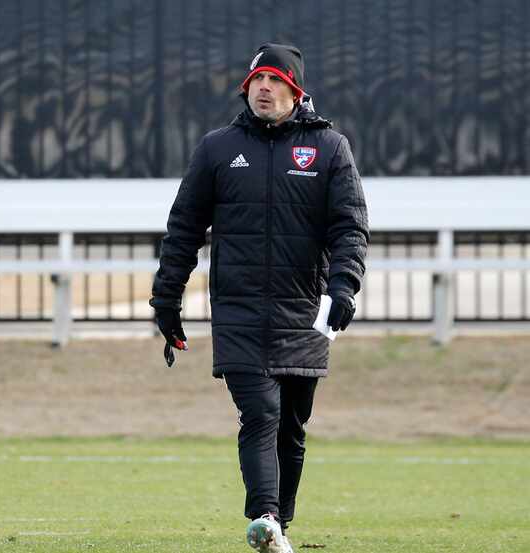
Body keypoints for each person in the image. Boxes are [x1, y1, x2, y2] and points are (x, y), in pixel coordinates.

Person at [149, 42, 369, 553]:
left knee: (292, 427)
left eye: (275, 81)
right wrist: (167, 301)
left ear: (296, 91)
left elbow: (350, 227)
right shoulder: (216, 149)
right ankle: (265, 517)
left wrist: (343, 286)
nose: (264, 88)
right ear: (246, 88)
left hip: (302, 310)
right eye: (257, 81)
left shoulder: (331, 149)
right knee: (260, 414)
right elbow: (183, 229)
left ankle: (280, 528)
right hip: (239, 310)